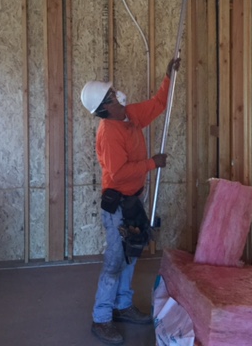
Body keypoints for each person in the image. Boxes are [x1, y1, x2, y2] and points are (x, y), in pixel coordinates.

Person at [80, 57, 181, 346]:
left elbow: (158, 104)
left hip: (133, 201)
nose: (117, 94)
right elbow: (119, 172)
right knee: (114, 260)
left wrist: (168, 77)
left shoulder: (128, 117)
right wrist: (152, 163)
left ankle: (123, 306)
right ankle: (101, 319)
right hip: (118, 206)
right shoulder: (110, 133)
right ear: (104, 107)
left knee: (131, 254)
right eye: (111, 96)